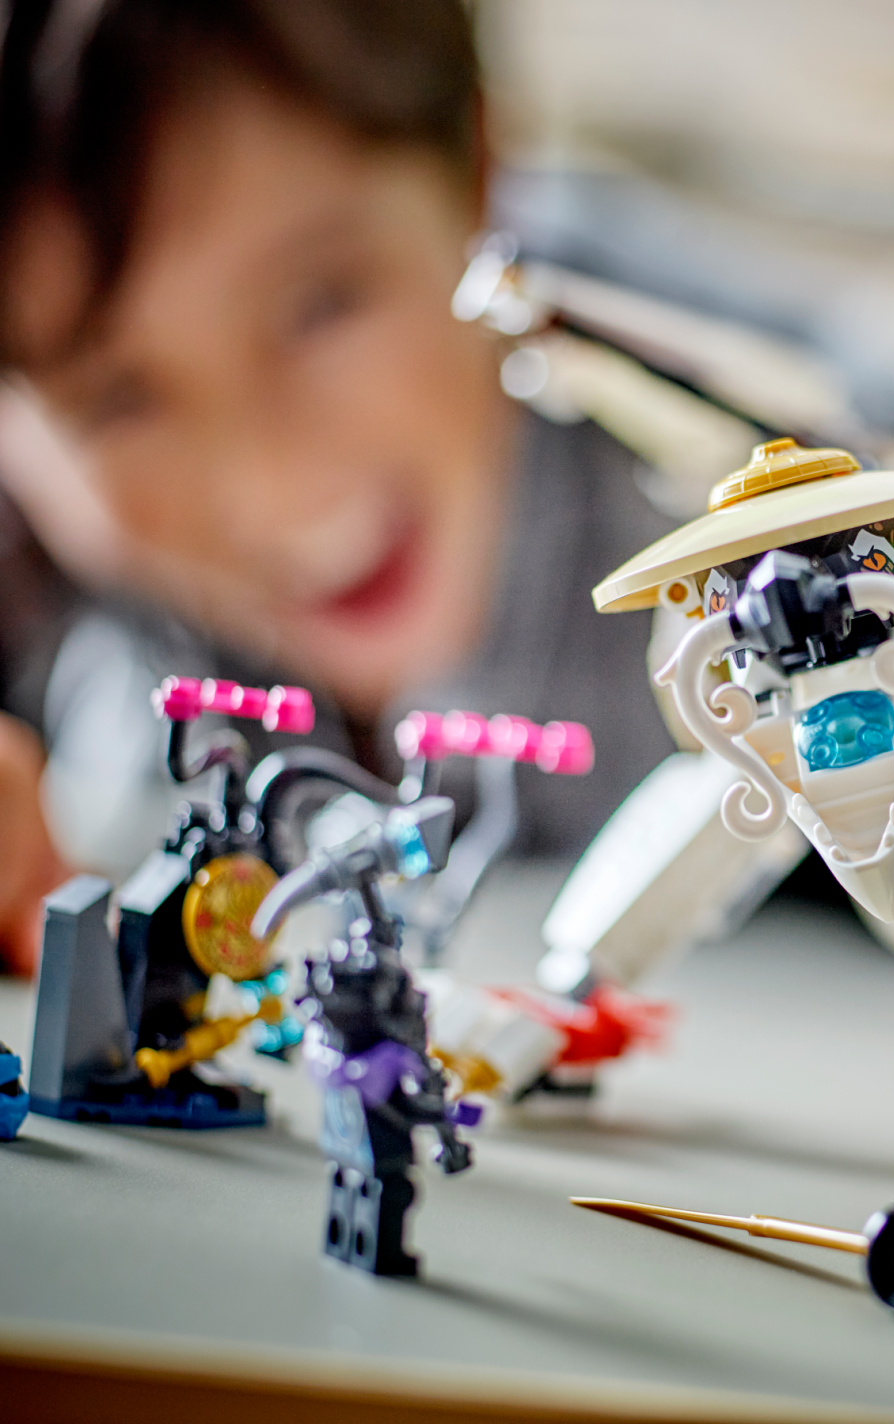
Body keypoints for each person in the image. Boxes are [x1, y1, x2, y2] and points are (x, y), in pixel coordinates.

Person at [0, 0, 680, 971]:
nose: (269, 489)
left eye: (320, 305)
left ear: (480, 178)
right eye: (117, 402)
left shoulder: (763, 505)